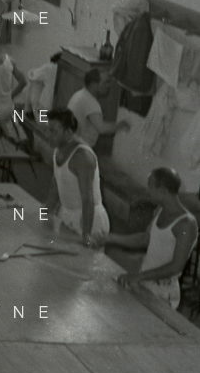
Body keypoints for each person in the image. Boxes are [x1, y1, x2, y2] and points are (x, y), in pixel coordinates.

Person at [96, 167, 198, 310]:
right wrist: (110, 238)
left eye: (150, 187)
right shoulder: (160, 209)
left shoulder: (186, 223)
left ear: (162, 191)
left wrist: (139, 276)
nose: (147, 191)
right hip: (145, 281)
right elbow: (145, 238)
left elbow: (176, 266)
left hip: (163, 292)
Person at [46, 108, 110, 245]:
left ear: (68, 132)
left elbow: (88, 199)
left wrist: (86, 234)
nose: (48, 135)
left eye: (53, 131)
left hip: (90, 221)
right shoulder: (58, 149)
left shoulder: (82, 157)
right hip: (68, 215)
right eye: (48, 130)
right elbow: (57, 181)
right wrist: (48, 209)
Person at [67, 69, 131, 150]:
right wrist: (121, 124)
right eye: (105, 82)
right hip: (79, 148)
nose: (108, 86)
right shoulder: (90, 102)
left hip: (72, 143)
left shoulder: (80, 94)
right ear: (94, 84)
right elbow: (102, 128)